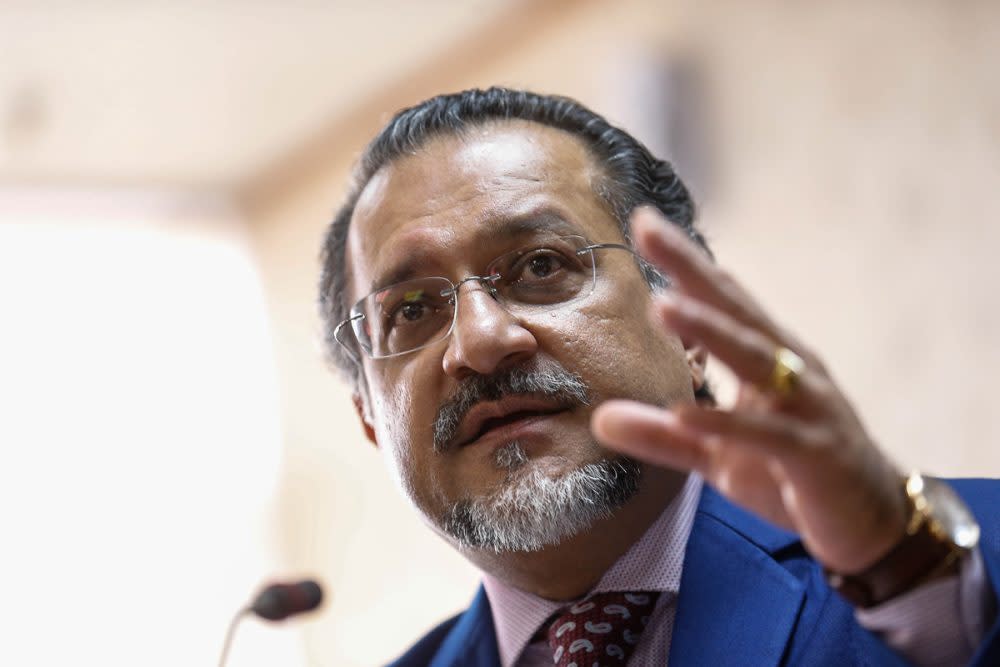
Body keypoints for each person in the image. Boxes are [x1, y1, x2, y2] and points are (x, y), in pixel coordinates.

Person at [318, 88, 999, 666]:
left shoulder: (949, 562)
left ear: (688, 324)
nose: (482, 340)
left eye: (540, 266)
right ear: (370, 416)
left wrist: (906, 574)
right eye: (411, 310)